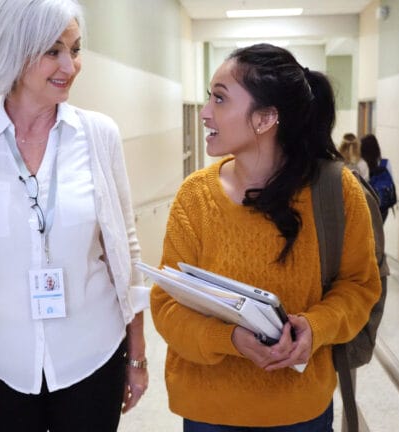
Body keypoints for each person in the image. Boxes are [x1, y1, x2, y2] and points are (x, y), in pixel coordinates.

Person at [0, 1, 149, 431]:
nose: (71, 65)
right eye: (53, 51)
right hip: (0, 363)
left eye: (76, 49)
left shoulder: (99, 135)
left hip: (93, 353)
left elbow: (126, 252)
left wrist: (136, 355)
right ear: (15, 51)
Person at [150, 44, 381, 431]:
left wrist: (315, 326)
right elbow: (166, 307)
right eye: (209, 97)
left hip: (299, 412)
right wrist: (230, 339)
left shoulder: (336, 191)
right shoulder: (195, 197)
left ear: (266, 118)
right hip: (209, 412)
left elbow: (359, 286)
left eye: (220, 99)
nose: (205, 112)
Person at [361, 133, 396, 222]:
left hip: (369, 206)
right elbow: (391, 181)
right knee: (379, 232)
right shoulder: (386, 163)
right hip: (383, 207)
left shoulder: (363, 164)